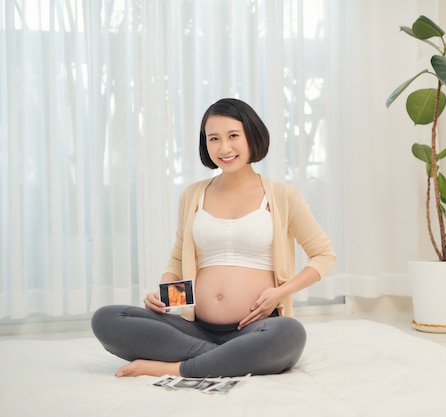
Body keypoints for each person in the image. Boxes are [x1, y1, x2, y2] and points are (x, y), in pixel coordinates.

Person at [91, 98, 336, 378]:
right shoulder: (193, 195)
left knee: (289, 334)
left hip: (256, 326)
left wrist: (280, 293)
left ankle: (176, 367)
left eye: (233, 136)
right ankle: (228, 358)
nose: (224, 148)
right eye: (214, 139)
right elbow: (179, 257)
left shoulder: (282, 196)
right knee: (107, 319)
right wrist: (165, 295)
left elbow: (324, 255)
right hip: (195, 327)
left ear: (252, 136)